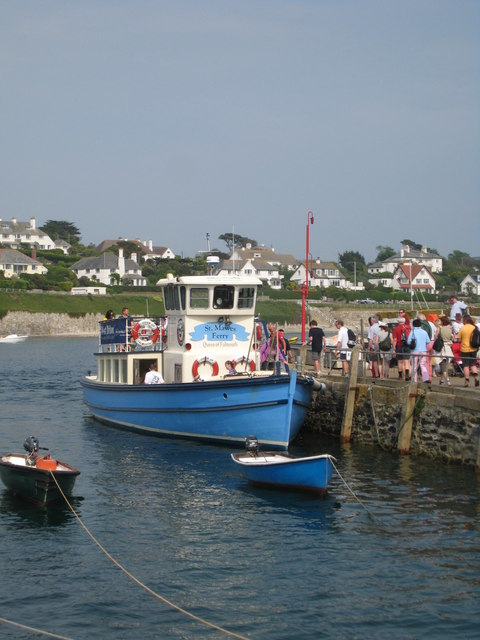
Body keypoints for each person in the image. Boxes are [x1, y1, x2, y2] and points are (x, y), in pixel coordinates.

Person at [456, 315, 479, 387]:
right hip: (473, 348)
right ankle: (476, 376)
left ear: (465, 321)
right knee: (473, 364)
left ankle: (467, 380)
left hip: (465, 349)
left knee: (466, 365)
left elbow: (459, 340)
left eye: (463, 320)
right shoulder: (475, 328)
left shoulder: (463, 328)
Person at [407, 318, 432, 383]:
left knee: (414, 366)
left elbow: (408, 341)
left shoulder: (412, 332)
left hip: (415, 351)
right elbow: (428, 341)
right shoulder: (424, 332)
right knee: (423, 365)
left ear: (413, 325)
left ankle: (414, 380)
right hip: (423, 350)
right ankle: (426, 379)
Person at [436, 316, 453, 385]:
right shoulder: (450, 329)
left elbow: (435, 337)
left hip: (441, 348)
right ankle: (442, 381)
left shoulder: (440, 329)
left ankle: (448, 381)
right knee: (445, 364)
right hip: (448, 347)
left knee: (442, 364)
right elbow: (452, 338)